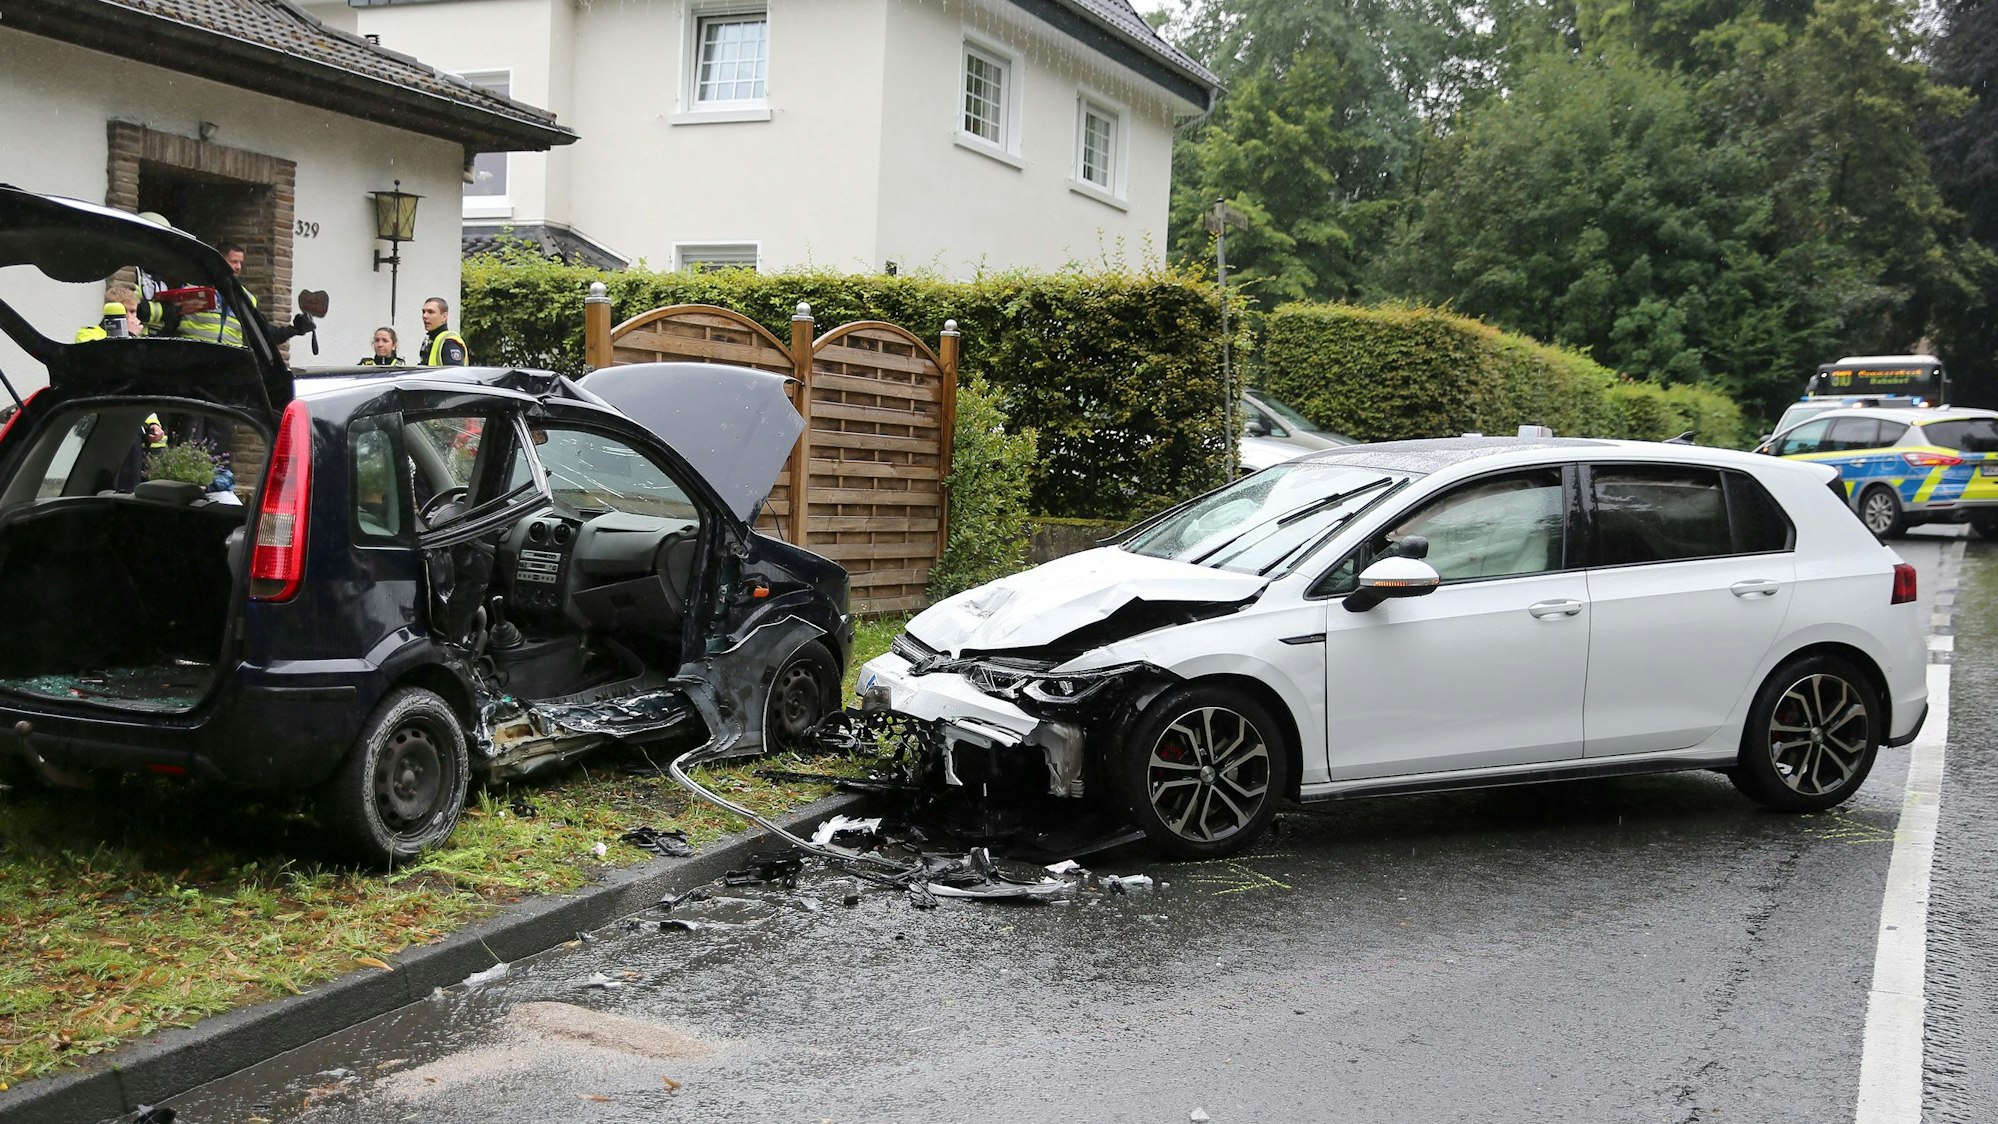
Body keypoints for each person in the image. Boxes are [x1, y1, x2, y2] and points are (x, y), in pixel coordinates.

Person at [74, 286, 143, 342]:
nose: (129, 316)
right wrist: (129, 335)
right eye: (123, 311)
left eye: (132, 311)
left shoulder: (140, 336)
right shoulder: (88, 333)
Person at [419, 297, 469, 366]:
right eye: (423, 312)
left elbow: (454, 374)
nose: (424, 316)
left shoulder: (450, 342)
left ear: (444, 316)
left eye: (430, 312)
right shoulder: (431, 340)